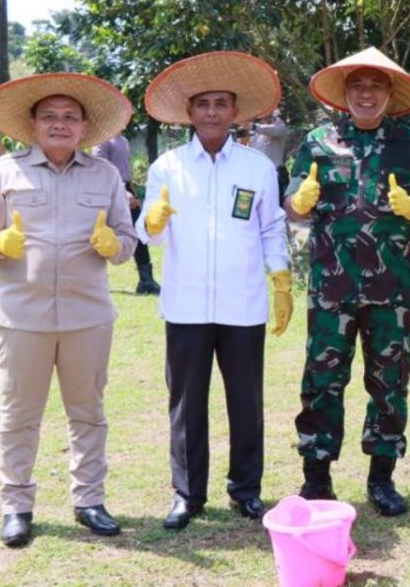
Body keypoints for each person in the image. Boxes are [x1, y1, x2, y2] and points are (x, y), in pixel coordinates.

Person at [0, 73, 138, 547]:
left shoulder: (104, 175)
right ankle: (16, 504)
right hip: (22, 317)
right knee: (19, 414)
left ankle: (89, 500)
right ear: (33, 125)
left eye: (69, 117)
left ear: (84, 127)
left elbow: (128, 241)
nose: (60, 124)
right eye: (49, 117)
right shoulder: (6, 172)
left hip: (88, 317)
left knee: (88, 413)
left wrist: (113, 244)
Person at [137, 51, 293, 530]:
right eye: (202, 104)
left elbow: (271, 227)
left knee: (246, 402)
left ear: (234, 112)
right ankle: (188, 493)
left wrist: (281, 277)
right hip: (185, 303)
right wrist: (153, 221)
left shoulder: (256, 167)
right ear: (189, 113)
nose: (211, 112)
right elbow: (149, 232)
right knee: (186, 403)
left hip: (242, 302)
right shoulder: (168, 166)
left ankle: (246, 490)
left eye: (220, 103)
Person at [286, 46, 410, 517]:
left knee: (389, 383)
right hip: (331, 291)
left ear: (390, 93)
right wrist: (301, 199)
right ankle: (316, 478)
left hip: (392, 290)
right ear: (345, 93)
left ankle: (382, 478)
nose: (366, 94)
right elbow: (291, 203)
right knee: (322, 380)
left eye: (376, 86)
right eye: (358, 86)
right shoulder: (317, 141)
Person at [93, 132, 161, 294]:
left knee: (138, 232)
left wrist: (130, 190)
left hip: (127, 188)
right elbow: (100, 170)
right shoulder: (102, 141)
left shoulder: (123, 140)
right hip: (111, 190)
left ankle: (146, 280)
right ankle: (96, 281)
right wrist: (123, 192)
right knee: (101, 237)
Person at [249, 109, 293, 204]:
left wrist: (252, 126)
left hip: (275, 174)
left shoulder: (279, 126)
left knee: (276, 207)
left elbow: (275, 131)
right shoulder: (256, 132)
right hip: (257, 176)